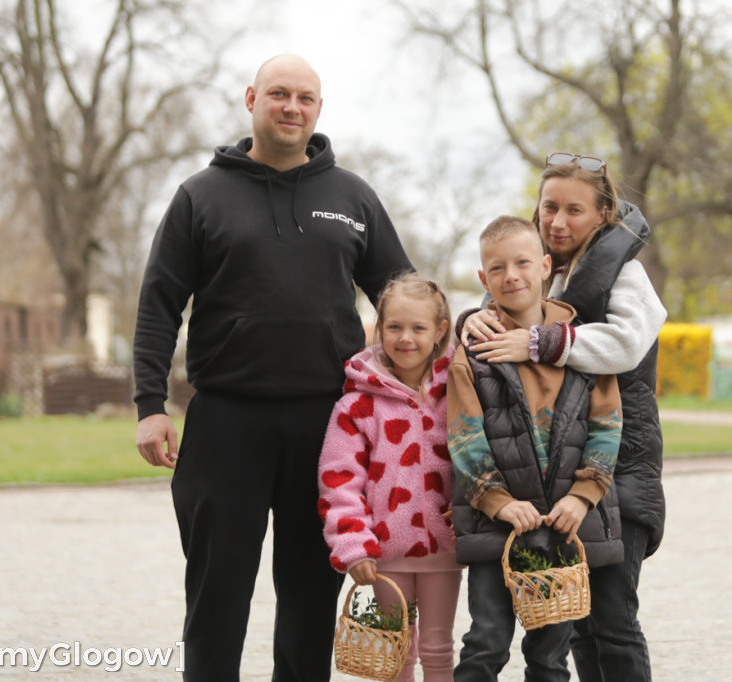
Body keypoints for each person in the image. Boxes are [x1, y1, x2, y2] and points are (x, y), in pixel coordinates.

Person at [132, 54, 413, 680]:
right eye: (279, 94)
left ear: (318, 109)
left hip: (328, 426)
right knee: (217, 595)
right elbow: (158, 306)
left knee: (311, 596)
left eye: (306, 98)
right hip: (226, 422)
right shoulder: (199, 196)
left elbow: (403, 295)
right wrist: (151, 406)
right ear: (252, 99)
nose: (292, 107)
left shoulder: (353, 197)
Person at [460, 153, 667, 681]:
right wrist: (471, 323)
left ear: (603, 214)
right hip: (553, 479)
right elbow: (494, 321)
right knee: (572, 620)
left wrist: (536, 342)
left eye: (574, 209)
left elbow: (623, 346)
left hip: (618, 465)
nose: (557, 221)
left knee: (614, 619)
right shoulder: (533, 269)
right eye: (548, 207)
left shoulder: (628, 275)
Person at [448, 215, 624, 682]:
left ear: (546, 266)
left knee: (550, 655)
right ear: (484, 280)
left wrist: (583, 494)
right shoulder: (472, 354)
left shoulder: (584, 344)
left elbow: (607, 426)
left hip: (562, 527)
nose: (513, 276)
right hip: (497, 529)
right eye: (498, 268)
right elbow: (464, 438)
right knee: (485, 643)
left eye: (523, 262)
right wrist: (499, 503)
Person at [318, 273, 462, 682]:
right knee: (397, 651)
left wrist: (471, 508)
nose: (406, 338)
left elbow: (478, 454)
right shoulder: (357, 404)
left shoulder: (460, 391)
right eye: (394, 327)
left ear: (440, 331)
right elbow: (338, 481)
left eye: (418, 328)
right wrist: (354, 546)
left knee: (438, 647)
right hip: (384, 550)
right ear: (379, 328)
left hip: (445, 547)